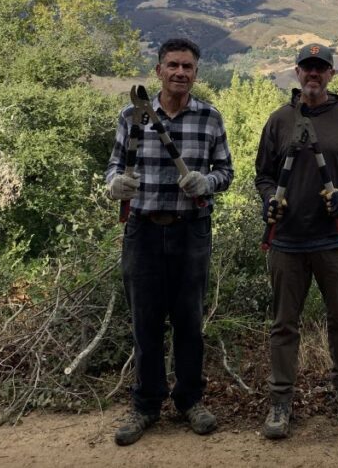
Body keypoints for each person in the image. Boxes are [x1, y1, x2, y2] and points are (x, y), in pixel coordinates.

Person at [106, 38, 234, 446]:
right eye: (173, 65)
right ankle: (145, 405)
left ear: (196, 73)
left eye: (188, 67)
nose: (181, 73)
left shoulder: (209, 117)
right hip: (142, 228)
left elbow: (227, 171)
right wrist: (115, 183)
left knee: (189, 321)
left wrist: (208, 181)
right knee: (145, 323)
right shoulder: (132, 115)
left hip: (191, 229)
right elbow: (113, 164)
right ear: (158, 69)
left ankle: (189, 401)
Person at [254, 43, 338, 440]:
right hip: (287, 242)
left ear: (331, 75)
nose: (313, 74)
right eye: (307, 67)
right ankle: (280, 400)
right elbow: (262, 175)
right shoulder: (278, 122)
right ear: (296, 73)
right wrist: (269, 200)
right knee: (283, 325)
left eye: (320, 68)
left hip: (336, 241)